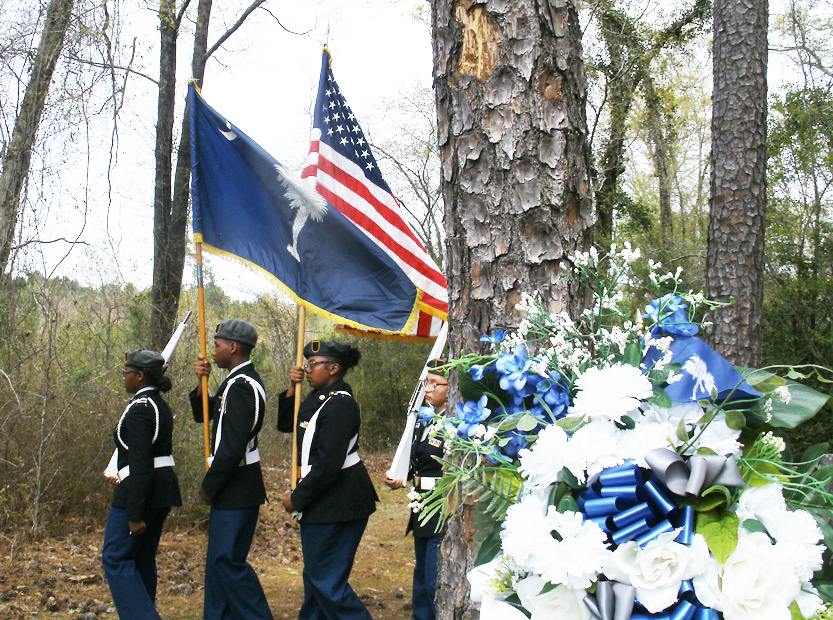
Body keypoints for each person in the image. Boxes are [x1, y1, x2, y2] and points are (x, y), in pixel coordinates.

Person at [278, 339, 379, 620]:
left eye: (313, 364)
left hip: (339, 501)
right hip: (323, 499)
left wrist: (297, 498)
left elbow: (328, 465)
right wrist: (292, 387)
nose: (306, 369)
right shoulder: (318, 398)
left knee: (327, 583)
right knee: (316, 580)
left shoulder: (340, 404)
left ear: (333, 368)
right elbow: (286, 424)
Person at [190, 319, 272, 620]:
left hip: (236, 483)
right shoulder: (233, 382)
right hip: (232, 482)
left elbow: (233, 446)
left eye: (217, 345)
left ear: (233, 347)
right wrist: (202, 384)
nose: (212, 351)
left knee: (227, 562)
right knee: (217, 563)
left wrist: (210, 485)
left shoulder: (244, 386)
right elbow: (204, 416)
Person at [102, 349, 182, 620]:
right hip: (161, 490)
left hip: (140, 492)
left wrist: (134, 514)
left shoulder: (140, 410)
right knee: (141, 558)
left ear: (140, 376)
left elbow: (141, 464)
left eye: (126, 373)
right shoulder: (158, 404)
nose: (123, 377)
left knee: (115, 557)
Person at [384, 359, 448, 620]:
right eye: (427, 383)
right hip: (422, 505)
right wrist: (400, 475)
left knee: (434, 580)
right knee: (421, 577)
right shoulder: (421, 421)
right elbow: (416, 461)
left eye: (436, 384)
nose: (428, 389)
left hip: (442, 505)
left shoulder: (455, 424)